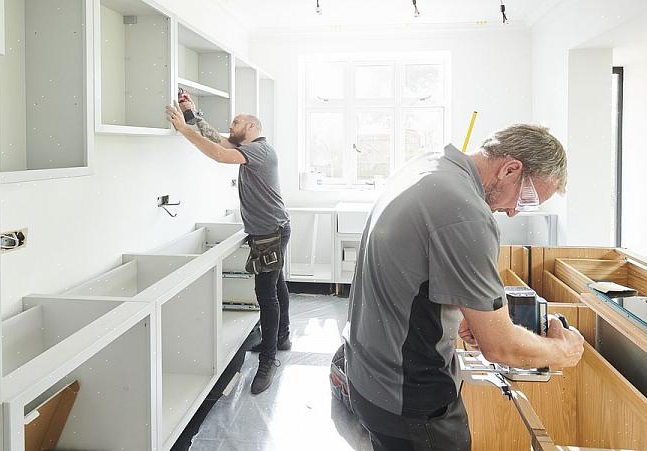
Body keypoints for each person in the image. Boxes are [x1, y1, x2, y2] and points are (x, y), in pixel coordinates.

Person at [345, 124, 585, 450]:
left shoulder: (429, 165)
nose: (514, 212)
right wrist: (564, 350)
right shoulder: (467, 214)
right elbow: (502, 348)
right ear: (510, 168)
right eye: (526, 197)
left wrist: (464, 315)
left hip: (368, 378)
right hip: (411, 400)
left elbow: (410, 267)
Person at [166, 97, 291, 395]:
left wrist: (184, 129)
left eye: (236, 122)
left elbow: (220, 155)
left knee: (267, 294)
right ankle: (282, 337)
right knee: (277, 285)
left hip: (270, 234)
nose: (231, 126)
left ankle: (268, 360)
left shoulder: (259, 151)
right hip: (272, 230)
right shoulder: (251, 148)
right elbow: (219, 140)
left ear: (251, 126)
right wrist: (193, 115)